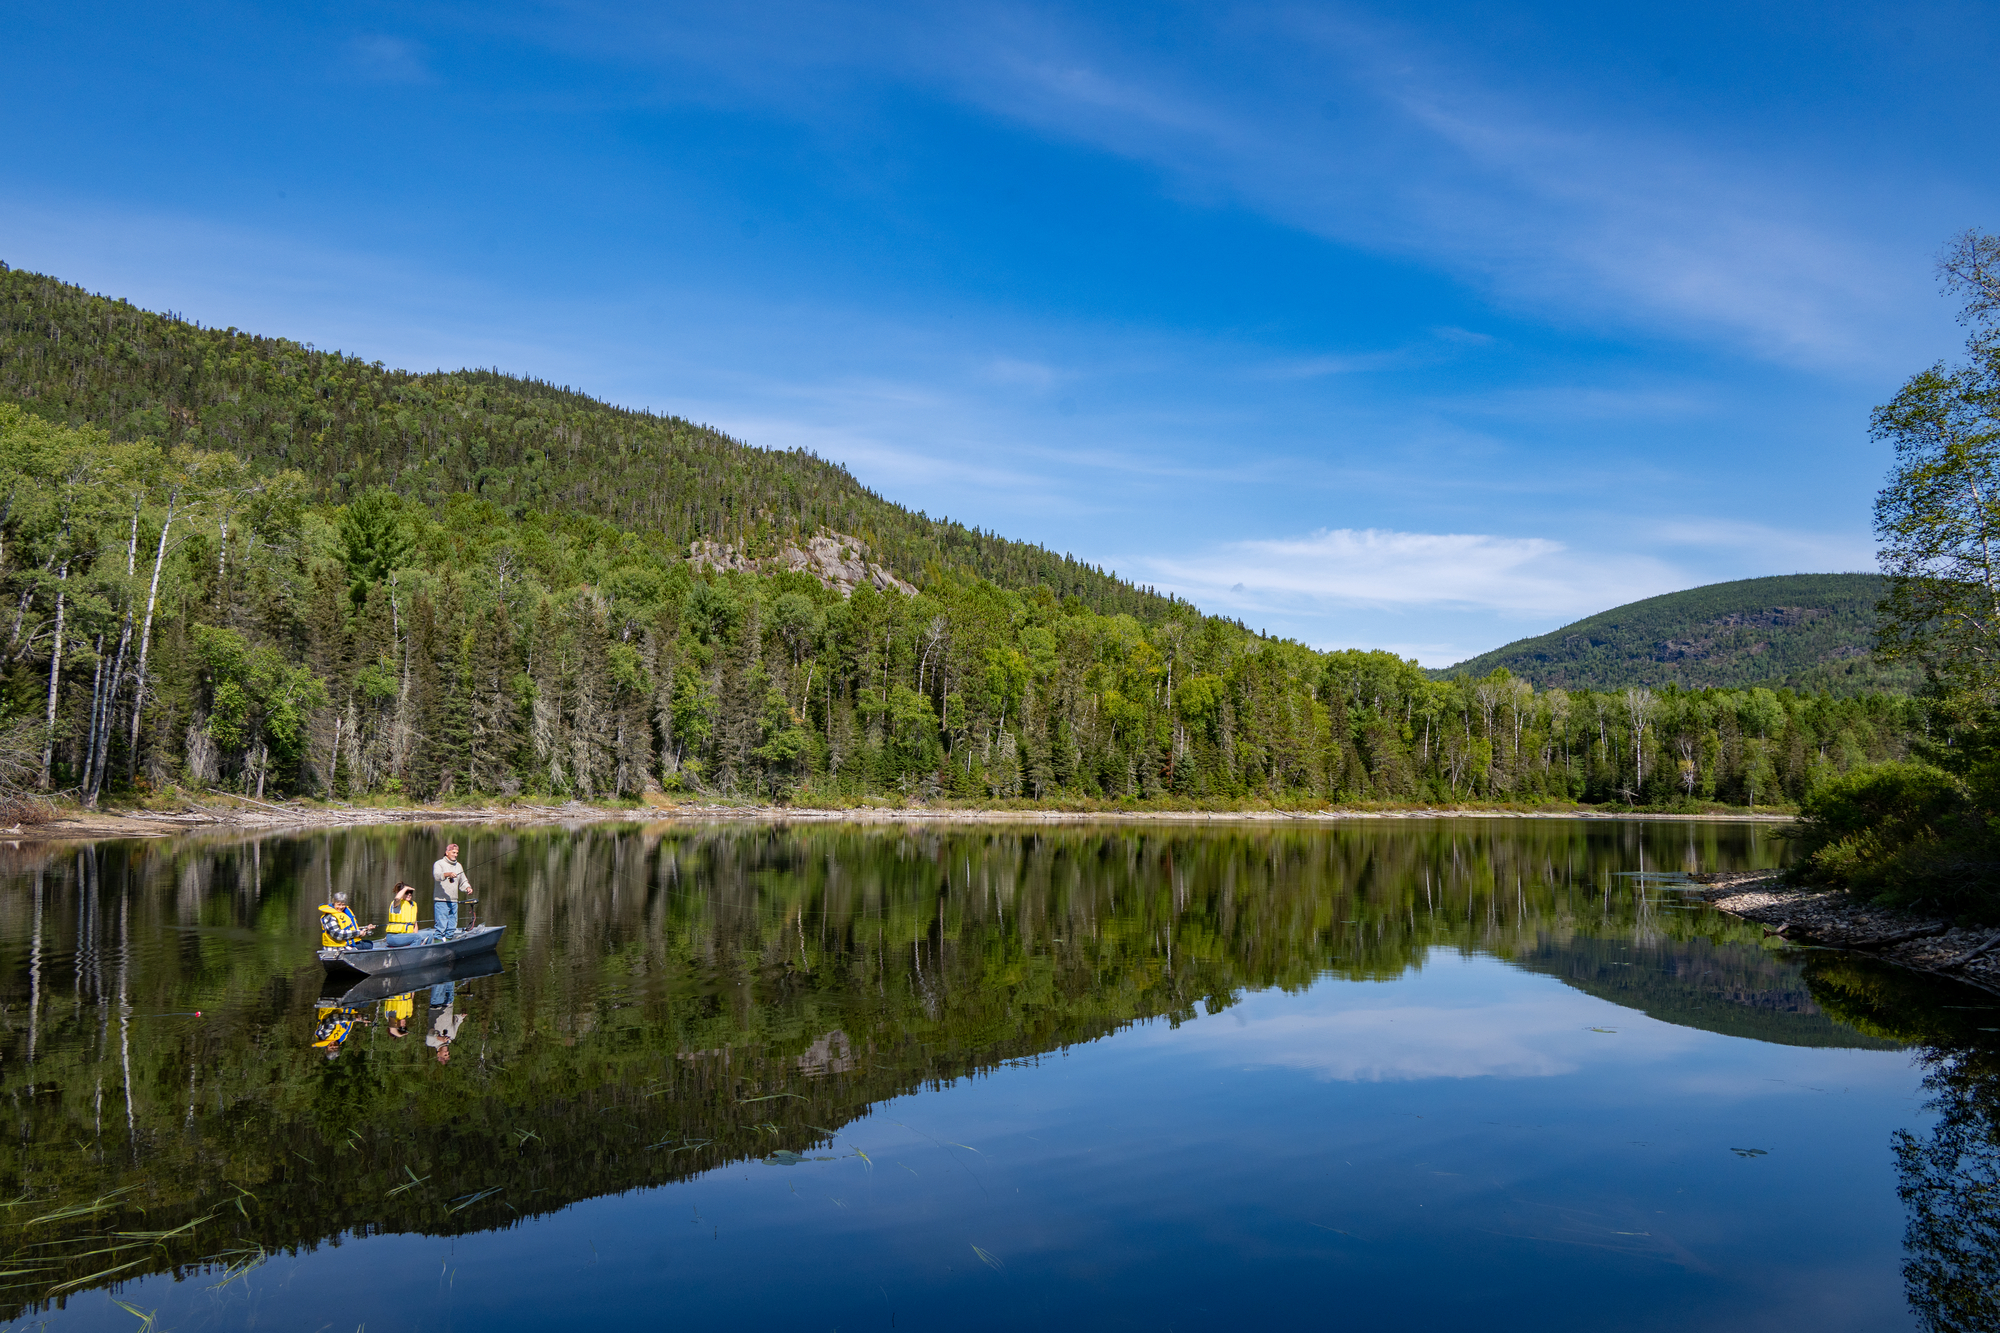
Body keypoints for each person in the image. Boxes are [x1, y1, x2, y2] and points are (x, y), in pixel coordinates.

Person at [431, 842, 472, 935]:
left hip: (453, 901)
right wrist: (447, 874)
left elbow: (463, 881)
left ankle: (448, 946)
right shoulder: (439, 864)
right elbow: (437, 876)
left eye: (457, 853)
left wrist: (468, 888)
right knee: (441, 927)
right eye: (453, 852)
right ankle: (438, 945)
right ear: (447, 852)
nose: (455, 855)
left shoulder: (458, 866)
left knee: (451, 928)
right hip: (441, 900)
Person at [426, 980, 464, 1064]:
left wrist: (439, 1038)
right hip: (449, 1003)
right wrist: (461, 1016)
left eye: (445, 1054)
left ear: (438, 1054)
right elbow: (456, 1021)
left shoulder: (431, 1043)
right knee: (450, 979)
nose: (447, 1052)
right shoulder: (452, 1037)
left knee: (439, 981)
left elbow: (430, 1032)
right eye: (448, 1054)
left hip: (436, 1005)